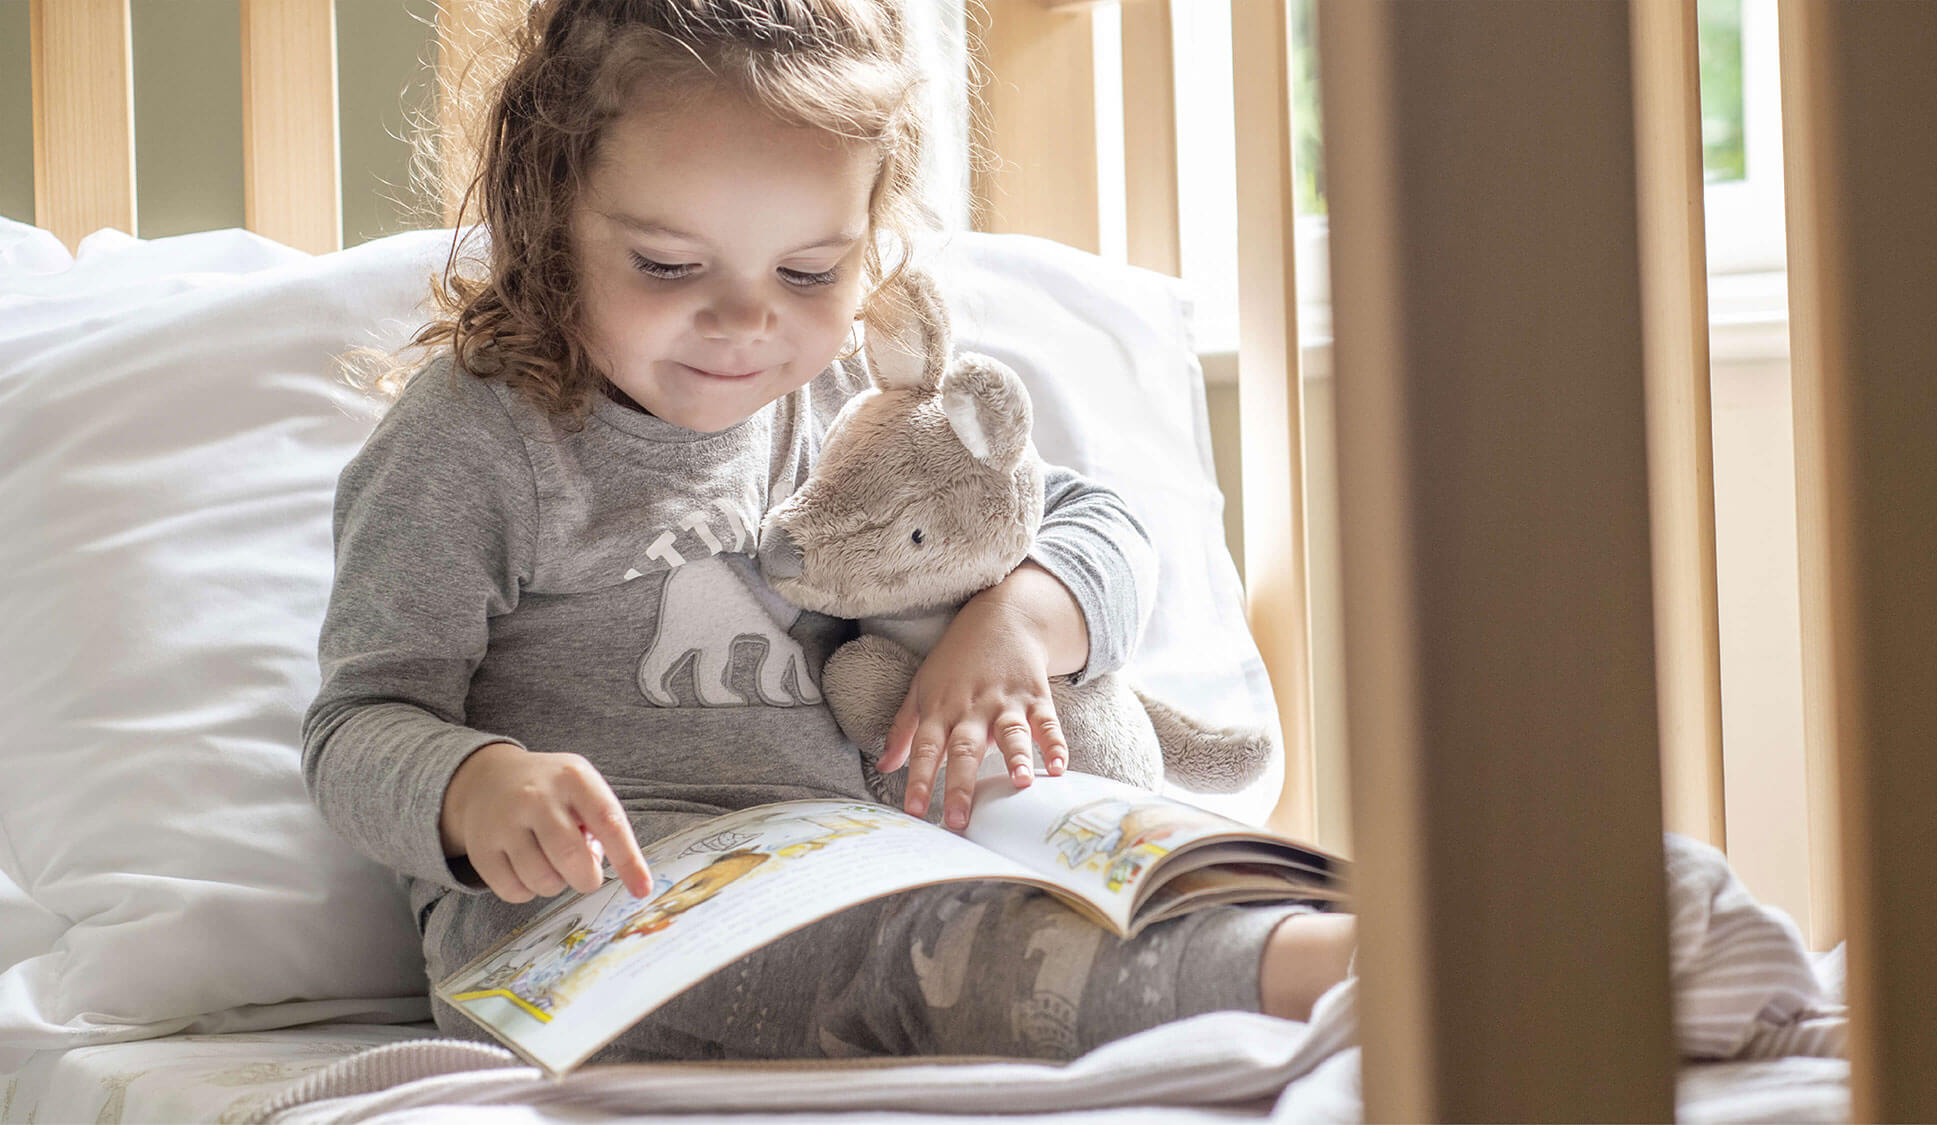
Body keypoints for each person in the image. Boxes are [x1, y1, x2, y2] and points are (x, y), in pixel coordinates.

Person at [301, 0, 1353, 1065]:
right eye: (668, 265)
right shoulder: (473, 444)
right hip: (600, 927)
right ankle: (1313, 977)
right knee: (928, 958)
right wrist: (473, 785)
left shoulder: (862, 394)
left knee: (1104, 877)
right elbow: (360, 720)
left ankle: (1299, 947)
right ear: (546, 214)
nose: (747, 322)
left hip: (870, 856)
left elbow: (1090, 523)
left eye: (808, 273)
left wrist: (1020, 620)